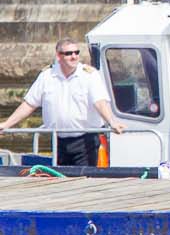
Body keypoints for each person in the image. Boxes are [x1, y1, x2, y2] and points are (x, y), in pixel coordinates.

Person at [0, 39, 123, 167]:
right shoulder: (47, 76)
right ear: (59, 56)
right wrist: (7, 124)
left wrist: (111, 121)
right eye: (69, 53)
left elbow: (100, 102)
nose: (74, 56)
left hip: (85, 140)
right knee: (60, 180)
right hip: (58, 140)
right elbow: (29, 104)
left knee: (84, 180)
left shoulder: (89, 76)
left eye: (76, 52)